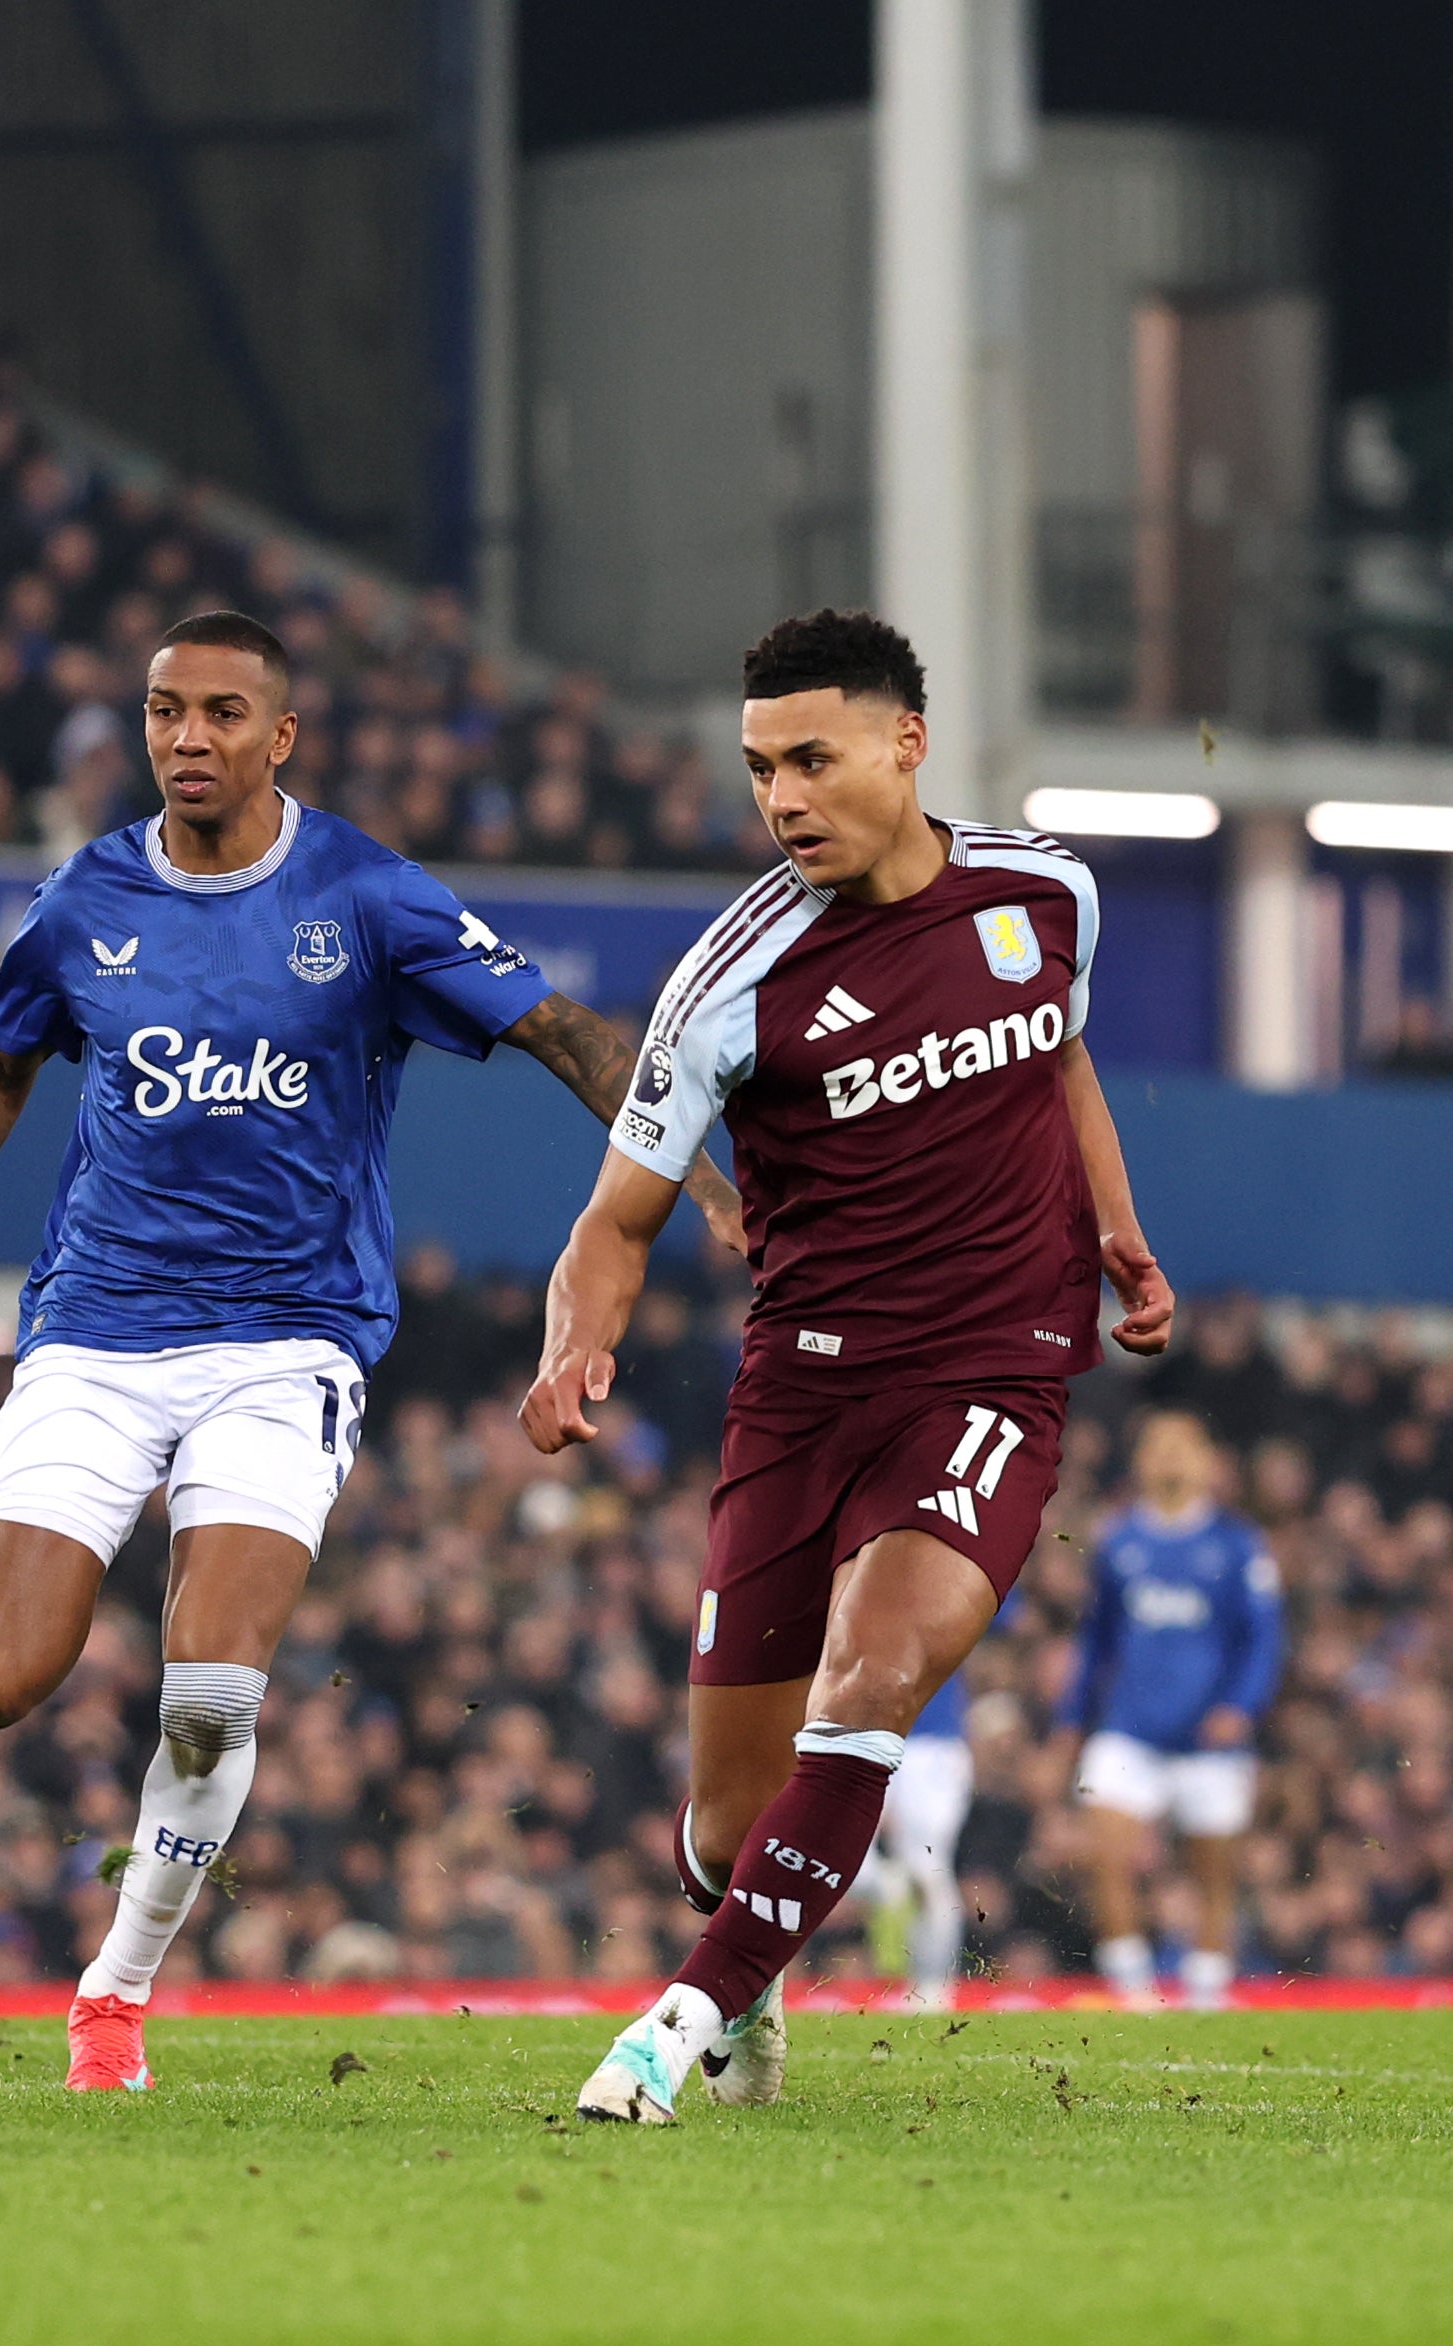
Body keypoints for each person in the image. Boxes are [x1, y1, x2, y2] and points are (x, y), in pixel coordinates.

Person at [0, 609, 741, 2093]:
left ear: (279, 735)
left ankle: (111, 1995)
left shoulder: (363, 895)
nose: (189, 739)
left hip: (285, 1342)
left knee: (212, 1690)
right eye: (165, 711)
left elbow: (559, 1030)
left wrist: (687, 1170)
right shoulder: (83, 902)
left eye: (222, 715)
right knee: (5, 1684)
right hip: (96, 1333)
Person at [522, 608, 1174, 2124]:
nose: (782, 798)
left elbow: (1055, 1050)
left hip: (991, 1376)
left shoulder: (1043, 889)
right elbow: (612, 1221)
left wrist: (1116, 1232)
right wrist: (576, 1341)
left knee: (874, 1674)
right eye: (758, 770)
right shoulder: (728, 981)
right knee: (722, 1825)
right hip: (800, 1396)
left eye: (810, 759)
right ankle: (746, 1967)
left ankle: (668, 2028)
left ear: (905, 744)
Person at [1067, 1407, 1282, 2011]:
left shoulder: (1238, 1545)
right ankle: (1132, 1988)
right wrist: (1068, 1721)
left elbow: (1262, 1638)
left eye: (1182, 1446)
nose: (1169, 1457)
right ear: (1139, 1461)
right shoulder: (1118, 1541)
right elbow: (1096, 1641)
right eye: (1157, 1445)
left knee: (1213, 1872)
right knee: (1105, 1855)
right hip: (1129, 1731)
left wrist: (1240, 1707)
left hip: (1210, 1742)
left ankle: (1207, 1989)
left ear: (1209, 1463)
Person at [859, 1672, 971, 2010]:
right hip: (860, 1736)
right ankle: (894, 1889)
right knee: (850, 1865)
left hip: (931, 1743)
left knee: (929, 1867)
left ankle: (934, 1990)